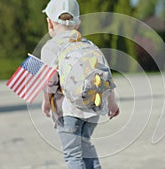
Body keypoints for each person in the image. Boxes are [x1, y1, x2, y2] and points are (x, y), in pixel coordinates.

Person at [40, 0, 120, 169]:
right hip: (93, 109)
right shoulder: (89, 45)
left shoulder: (50, 47)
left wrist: (46, 102)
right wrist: (112, 103)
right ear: (78, 23)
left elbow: (50, 82)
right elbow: (106, 75)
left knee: (73, 155)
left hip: (67, 112)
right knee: (86, 149)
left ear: (50, 22)